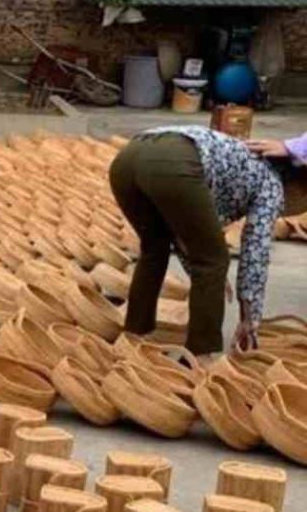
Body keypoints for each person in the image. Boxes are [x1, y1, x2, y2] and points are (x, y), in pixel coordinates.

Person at [109, 126, 305, 356]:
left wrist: (207, 275)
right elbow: (255, 254)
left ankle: (134, 335)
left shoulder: (244, 165)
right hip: (174, 160)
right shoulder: (272, 185)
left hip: (128, 159)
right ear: (300, 189)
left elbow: (183, 236)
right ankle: (200, 355)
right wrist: (249, 317)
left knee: (155, 249)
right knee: (215, 260)